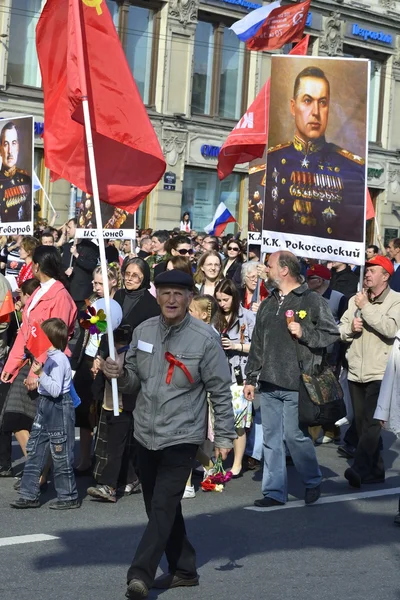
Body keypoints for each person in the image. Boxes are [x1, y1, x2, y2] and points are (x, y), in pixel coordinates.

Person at [101, 269, 235, 599]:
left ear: (190, 298)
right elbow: (134, 379)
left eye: (178, 293)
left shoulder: (205, 338)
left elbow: (220, 390)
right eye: (165, 292)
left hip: (182, 436)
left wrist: (225, 437)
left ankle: (140, 574)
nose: (171, 299)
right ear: (156, 295)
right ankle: (185, 569)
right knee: (161, 508)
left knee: (162, 506)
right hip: (145, 432)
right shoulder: (144, 330)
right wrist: (117, 373)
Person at [244, 251, 339, 507]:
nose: (266, 269)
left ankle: (312, 480)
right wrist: (251, 377)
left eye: (270, 265)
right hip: (269, 381)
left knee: (295, 437)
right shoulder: (269, 302)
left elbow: (331, 333)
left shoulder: (310, 300)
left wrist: (305, 331)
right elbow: (257, 344)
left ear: (284, 270)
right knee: (271, 439)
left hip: (298, 382)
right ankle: (274, 492)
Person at [264, 66, 365, 243]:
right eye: (308, 101)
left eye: (323, 102)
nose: (316, 112)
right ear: (293, 107)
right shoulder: (271, 160)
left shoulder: (352, 168)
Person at [0, 246, 77, 459]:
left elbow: (54, 339)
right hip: (29, 361)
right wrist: (11, 365)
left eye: (31, 262)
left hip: (46, 365)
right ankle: (38, 468)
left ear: (38, 265)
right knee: (14, 417)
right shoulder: (38, 291)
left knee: (37, 422)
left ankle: (40, 471)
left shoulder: (59, 295)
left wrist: (37, 372)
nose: (28, 265)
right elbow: (26, 330)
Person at [339, 255, 400, 488]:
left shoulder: (396, 300)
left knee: (374, 424)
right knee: (363, 424)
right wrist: (350, 329)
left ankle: (359, 468)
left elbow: (391, 328)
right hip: (356, 370)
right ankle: (375, 471)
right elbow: (341, 328)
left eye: (373, 270)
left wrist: (366, 309)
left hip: (381, 371)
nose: (367, 274)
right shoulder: (356, 299)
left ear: (385, 276)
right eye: (367, 270)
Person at [10, 318, 80, 510]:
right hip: (46, 404)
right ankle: (29, 494)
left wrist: (40, 375)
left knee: (60, 453)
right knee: (35, 450)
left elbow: (56, 389)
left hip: (58, 406)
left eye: (41, 336)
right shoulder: (48, 357)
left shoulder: (59, 360)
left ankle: (68, 496)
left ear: (50, 339)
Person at [72, 264, 121, 474]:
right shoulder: (91, 302)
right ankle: (84, 459)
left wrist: (101, 358)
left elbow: (109, 333)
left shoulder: (117, 305)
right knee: (84, 412)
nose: (96, 286)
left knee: (103, 412)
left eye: (101, 283)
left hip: (106, 360)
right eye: (95, 282)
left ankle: (102, 459)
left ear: (113, 282)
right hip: (87, 358)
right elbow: (87, 330)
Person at [216, 278, 255, 478]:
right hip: (218, 376)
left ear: (234, 297)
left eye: (225, 299)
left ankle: (237, 464)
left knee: (239, 422)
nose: (221, 304)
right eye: (218, 300)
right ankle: (216, 462)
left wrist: (236, 346)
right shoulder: (215, 318)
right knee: (216, 421)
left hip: (240, 376)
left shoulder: (247, 317)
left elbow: (258, 347)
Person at [306, 263, 348, 443]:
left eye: (311, 279)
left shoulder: (339, 298)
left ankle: (330, 430)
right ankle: (314, 431)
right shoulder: (306, 297)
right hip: (310, 351)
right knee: (312, 391)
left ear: (321, 280)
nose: (307, 281)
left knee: (326, 393)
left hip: (332, 353)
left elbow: (345, 324)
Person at [0, 121, 32, 223]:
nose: (10, 151)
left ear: (18, 147)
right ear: (0, 149)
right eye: (6, 144)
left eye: (13, 143)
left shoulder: (25, 180)